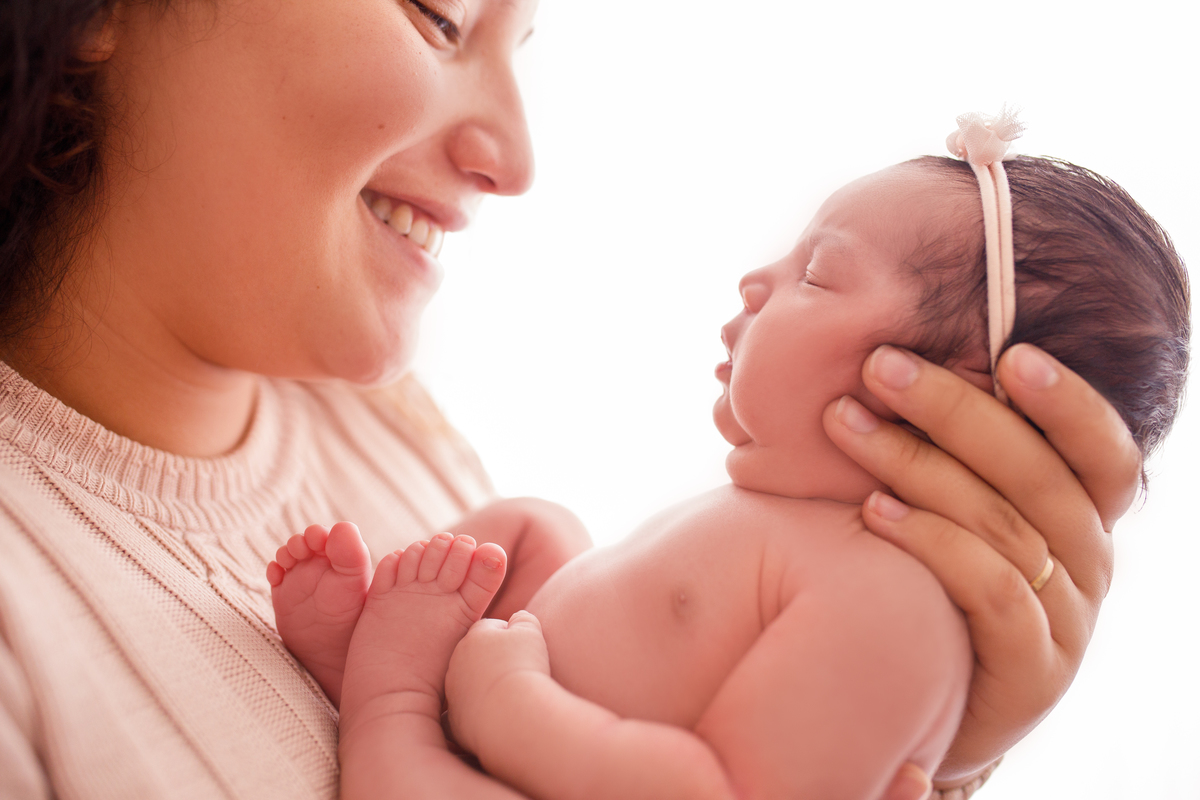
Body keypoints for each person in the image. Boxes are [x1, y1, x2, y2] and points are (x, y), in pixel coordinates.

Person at [0, 1, 1143, 798]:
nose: (519, 156)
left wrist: (931, 746)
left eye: (525, 42)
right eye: (440, 17)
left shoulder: (383, 431)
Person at [268, 143, 1189, 798]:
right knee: (536, 526)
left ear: (943, 401)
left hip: (519, 751)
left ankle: (387, 702)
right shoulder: (783, 517)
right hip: (529, 676)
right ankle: (379, 652)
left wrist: (502, 696)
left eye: (819, 272)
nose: (758, 280)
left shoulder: (892, 606)